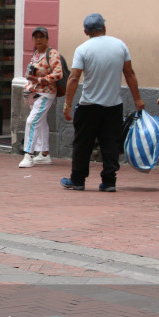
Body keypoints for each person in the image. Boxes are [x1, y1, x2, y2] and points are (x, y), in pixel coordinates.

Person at [61, 13, 144, 192]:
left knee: (83, 143)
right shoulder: (120, 45)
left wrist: (67, 104)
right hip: (113, 105)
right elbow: (129, 73)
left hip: (89, 105)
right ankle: (109, 182)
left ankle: (78, 180)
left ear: (85, 32)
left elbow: (74, 77)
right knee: (111, 143)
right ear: (104, 28)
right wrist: (137, 99)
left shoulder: (82, 49)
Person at [18, 26, 63, 168]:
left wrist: (40, 80)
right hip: (34, 92)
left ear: (47, 39)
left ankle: (28, 154)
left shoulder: (52, 53)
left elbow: (58, 74)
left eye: (41, 37)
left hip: (46, 92)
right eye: (35, 37)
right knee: (41, 122)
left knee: (32, 121)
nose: (38, 40)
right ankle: (44, 154)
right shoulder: (36, 54)